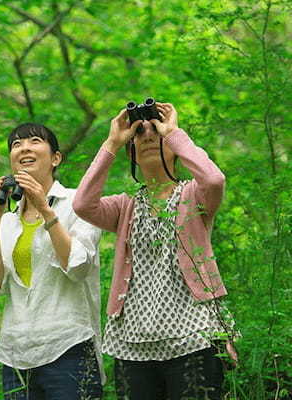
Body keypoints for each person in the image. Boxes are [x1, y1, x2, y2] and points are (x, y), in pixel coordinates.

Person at [73, 102, 238, 399]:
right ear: (131, 152)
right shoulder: (124, 207)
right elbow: (83, 204)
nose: (148, 136)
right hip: (134, 340)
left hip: (193, 334)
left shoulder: (193, 196)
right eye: (140, 133)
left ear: (174, 148)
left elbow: (214, 179)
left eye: (156, 132)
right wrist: (112, 142)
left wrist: (173, 131)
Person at [0, 123, 103, 400]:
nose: (24, 148)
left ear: (55, 158)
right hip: (16, 352)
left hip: (68, 346)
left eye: (34, 141)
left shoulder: (78, 204)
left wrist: (45, 210)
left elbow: (78, 267)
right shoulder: (7, 220)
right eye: (16, 145)